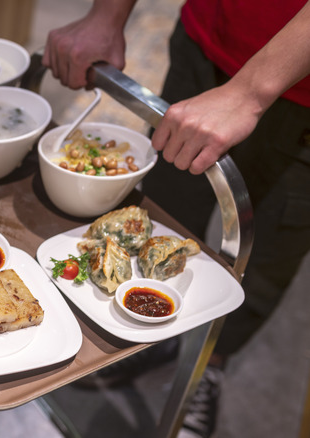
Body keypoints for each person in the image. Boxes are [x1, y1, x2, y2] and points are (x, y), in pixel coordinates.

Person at [43, 1, 310, 437]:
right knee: (162, 206)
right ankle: (153, 340)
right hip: (206, 42)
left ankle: (209, 363)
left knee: (265, 254)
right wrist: (106, 16)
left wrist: (251, 90)